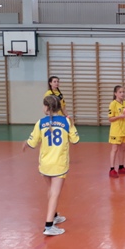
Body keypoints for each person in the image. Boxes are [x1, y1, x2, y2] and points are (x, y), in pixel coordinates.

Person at [23, 95, 80, 236]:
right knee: (55, 194)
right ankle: (49, 226)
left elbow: (32, 143)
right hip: (59, 164)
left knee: (50, 189)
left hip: (45, 163)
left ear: (47, 107)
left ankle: (54, 216)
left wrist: (26, 144)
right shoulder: (66, 122)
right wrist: (72, 124)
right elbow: (75, 140)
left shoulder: (40, 122)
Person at [108, 85, 125, 178]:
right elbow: (110, 119)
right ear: (115, 94)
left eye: (123, 92)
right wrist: (120, 116)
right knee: (114, 149)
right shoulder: (113, 104)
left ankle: (121, 167)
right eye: (120, 92)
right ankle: (111, 169)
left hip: (124, 130)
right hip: (116, 131)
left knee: (123, 149)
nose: (122, 94)